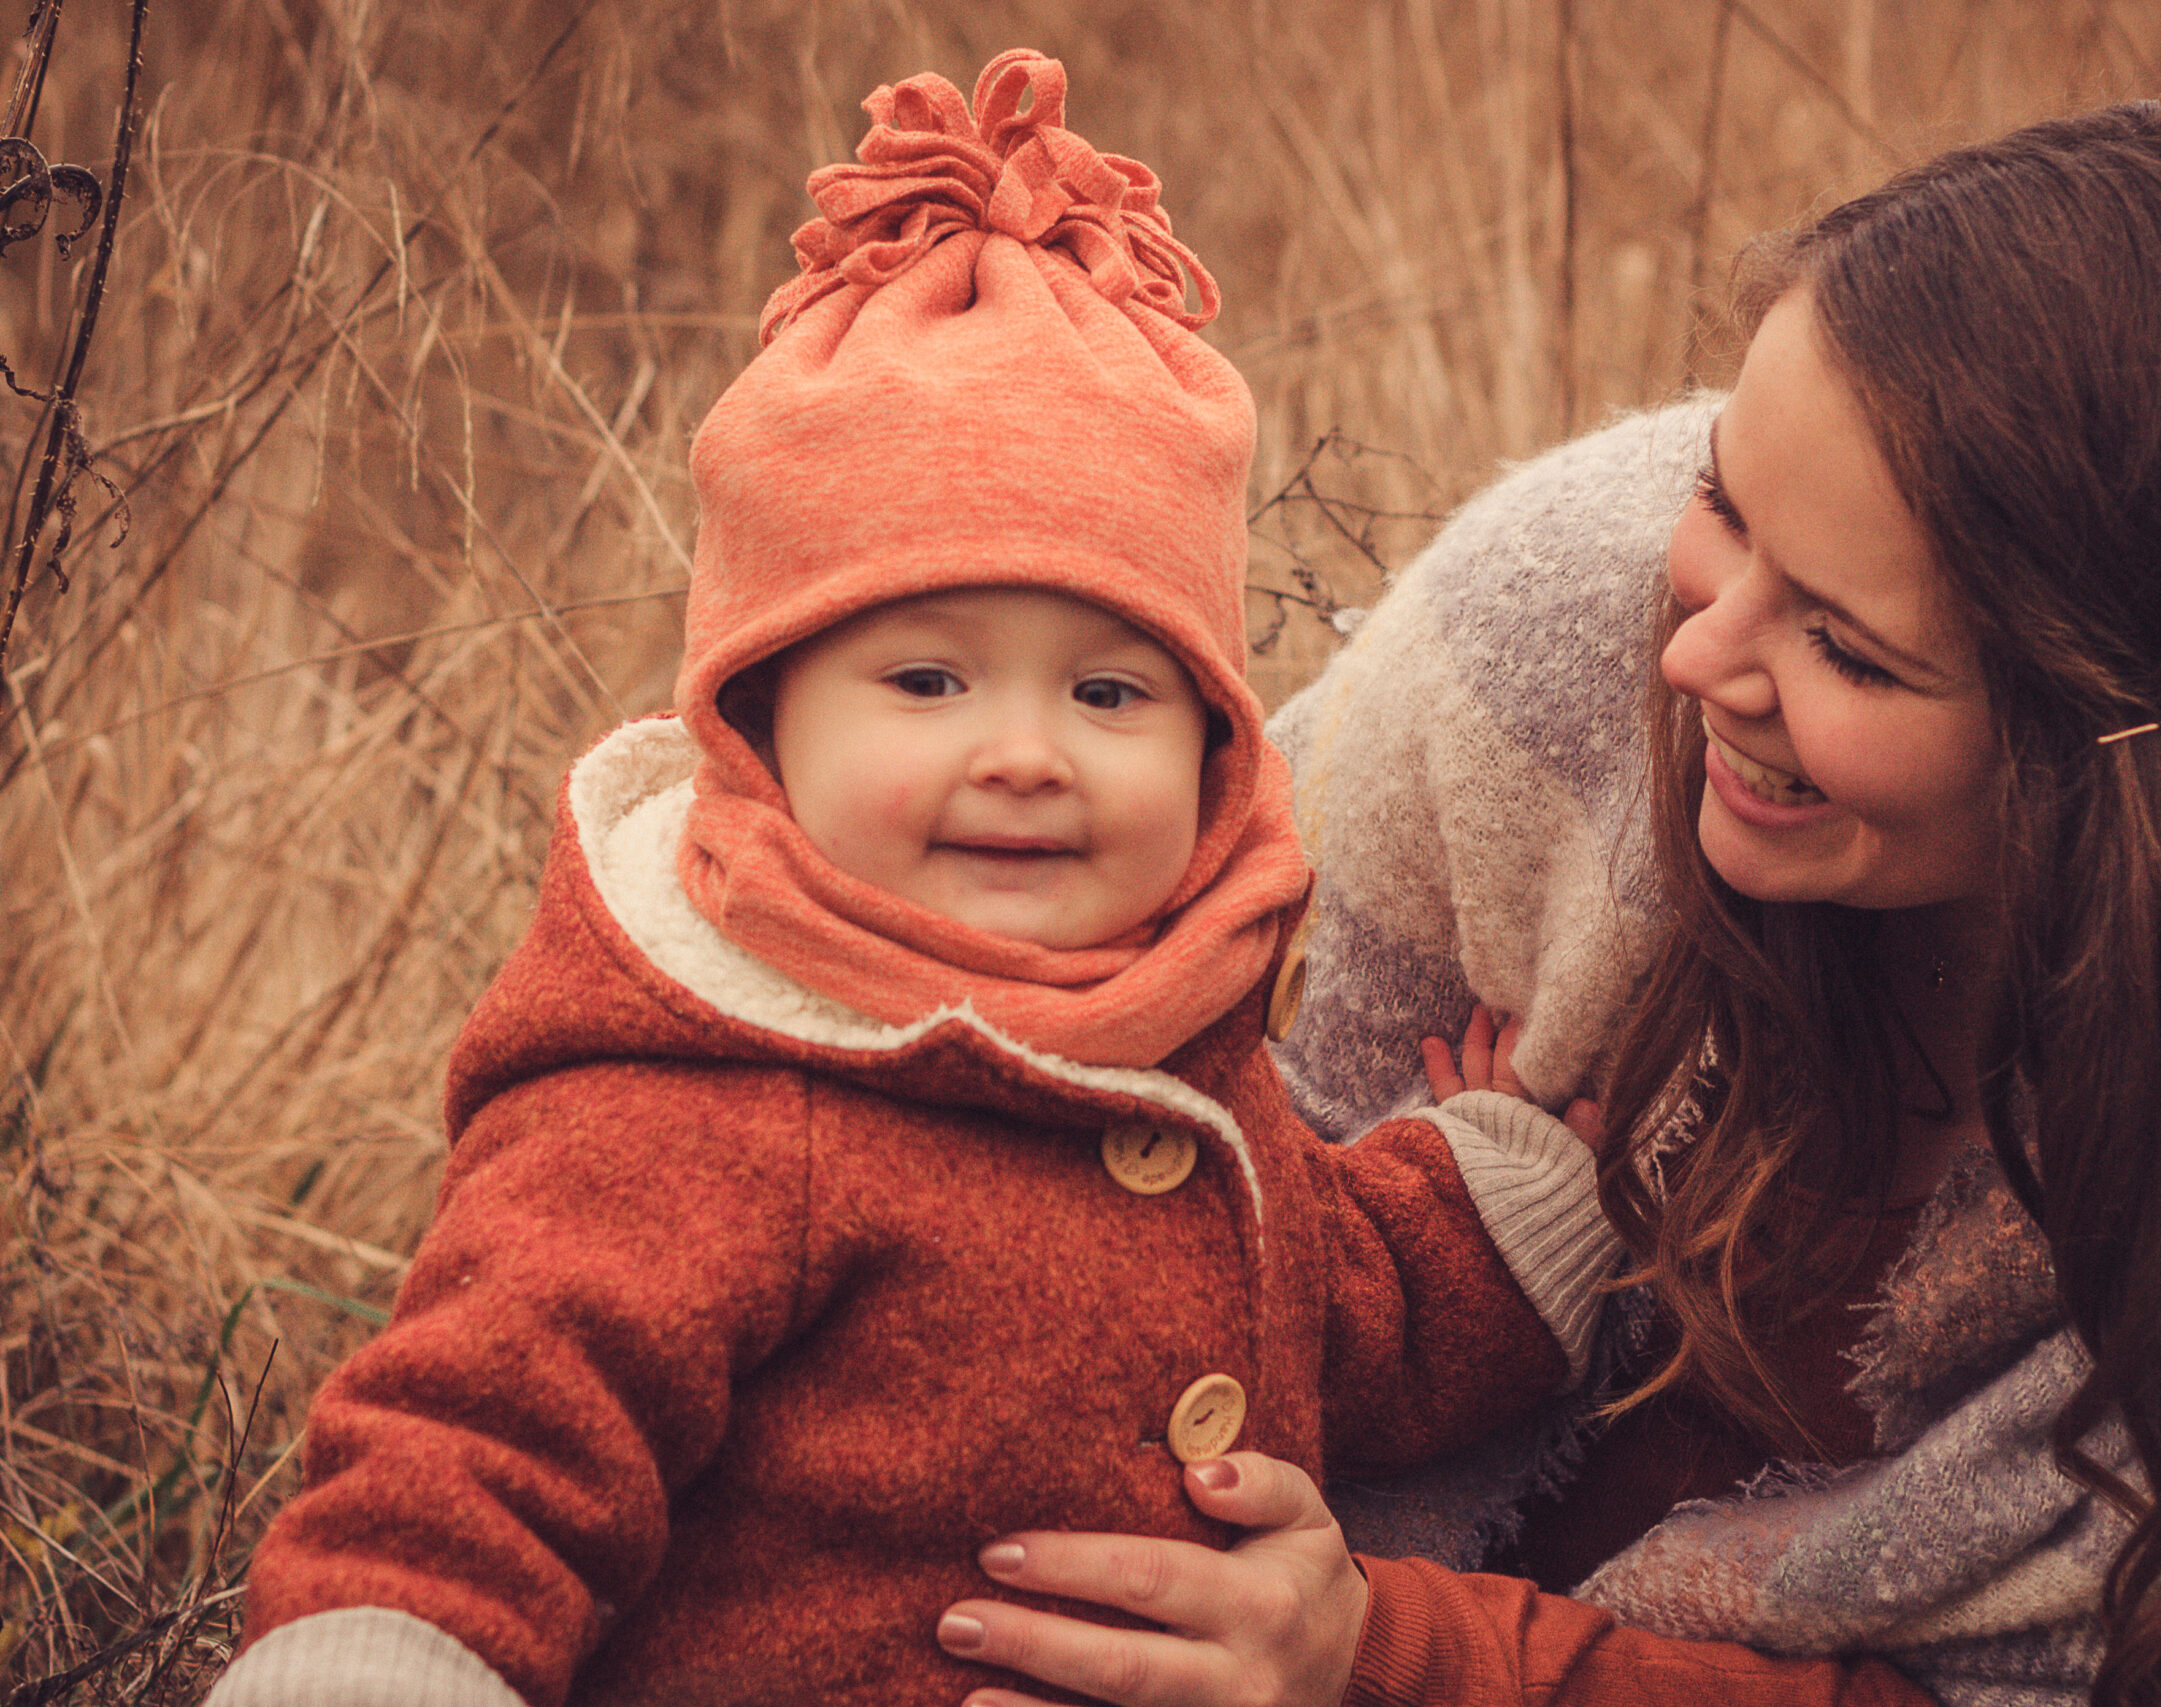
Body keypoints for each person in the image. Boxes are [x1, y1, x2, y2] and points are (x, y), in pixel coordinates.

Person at [929, 98, 2161, 1707]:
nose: (1693, 653)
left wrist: (1377, 1658)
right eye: (1722, 498)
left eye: (1849, 650)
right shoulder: (1567, 615)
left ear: (2144, 761)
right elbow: (1097, 1096)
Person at [203, 51, 1619, 1707]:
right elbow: (480, 1445)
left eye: (1110, 693)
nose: (1026, 754)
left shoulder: (1171, 1046)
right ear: (762, 720)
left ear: (1221, 751)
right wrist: (383, 1661)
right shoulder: (696, 1097)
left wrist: (1509, 1200)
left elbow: (1322, 1297)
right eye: (928, 682)